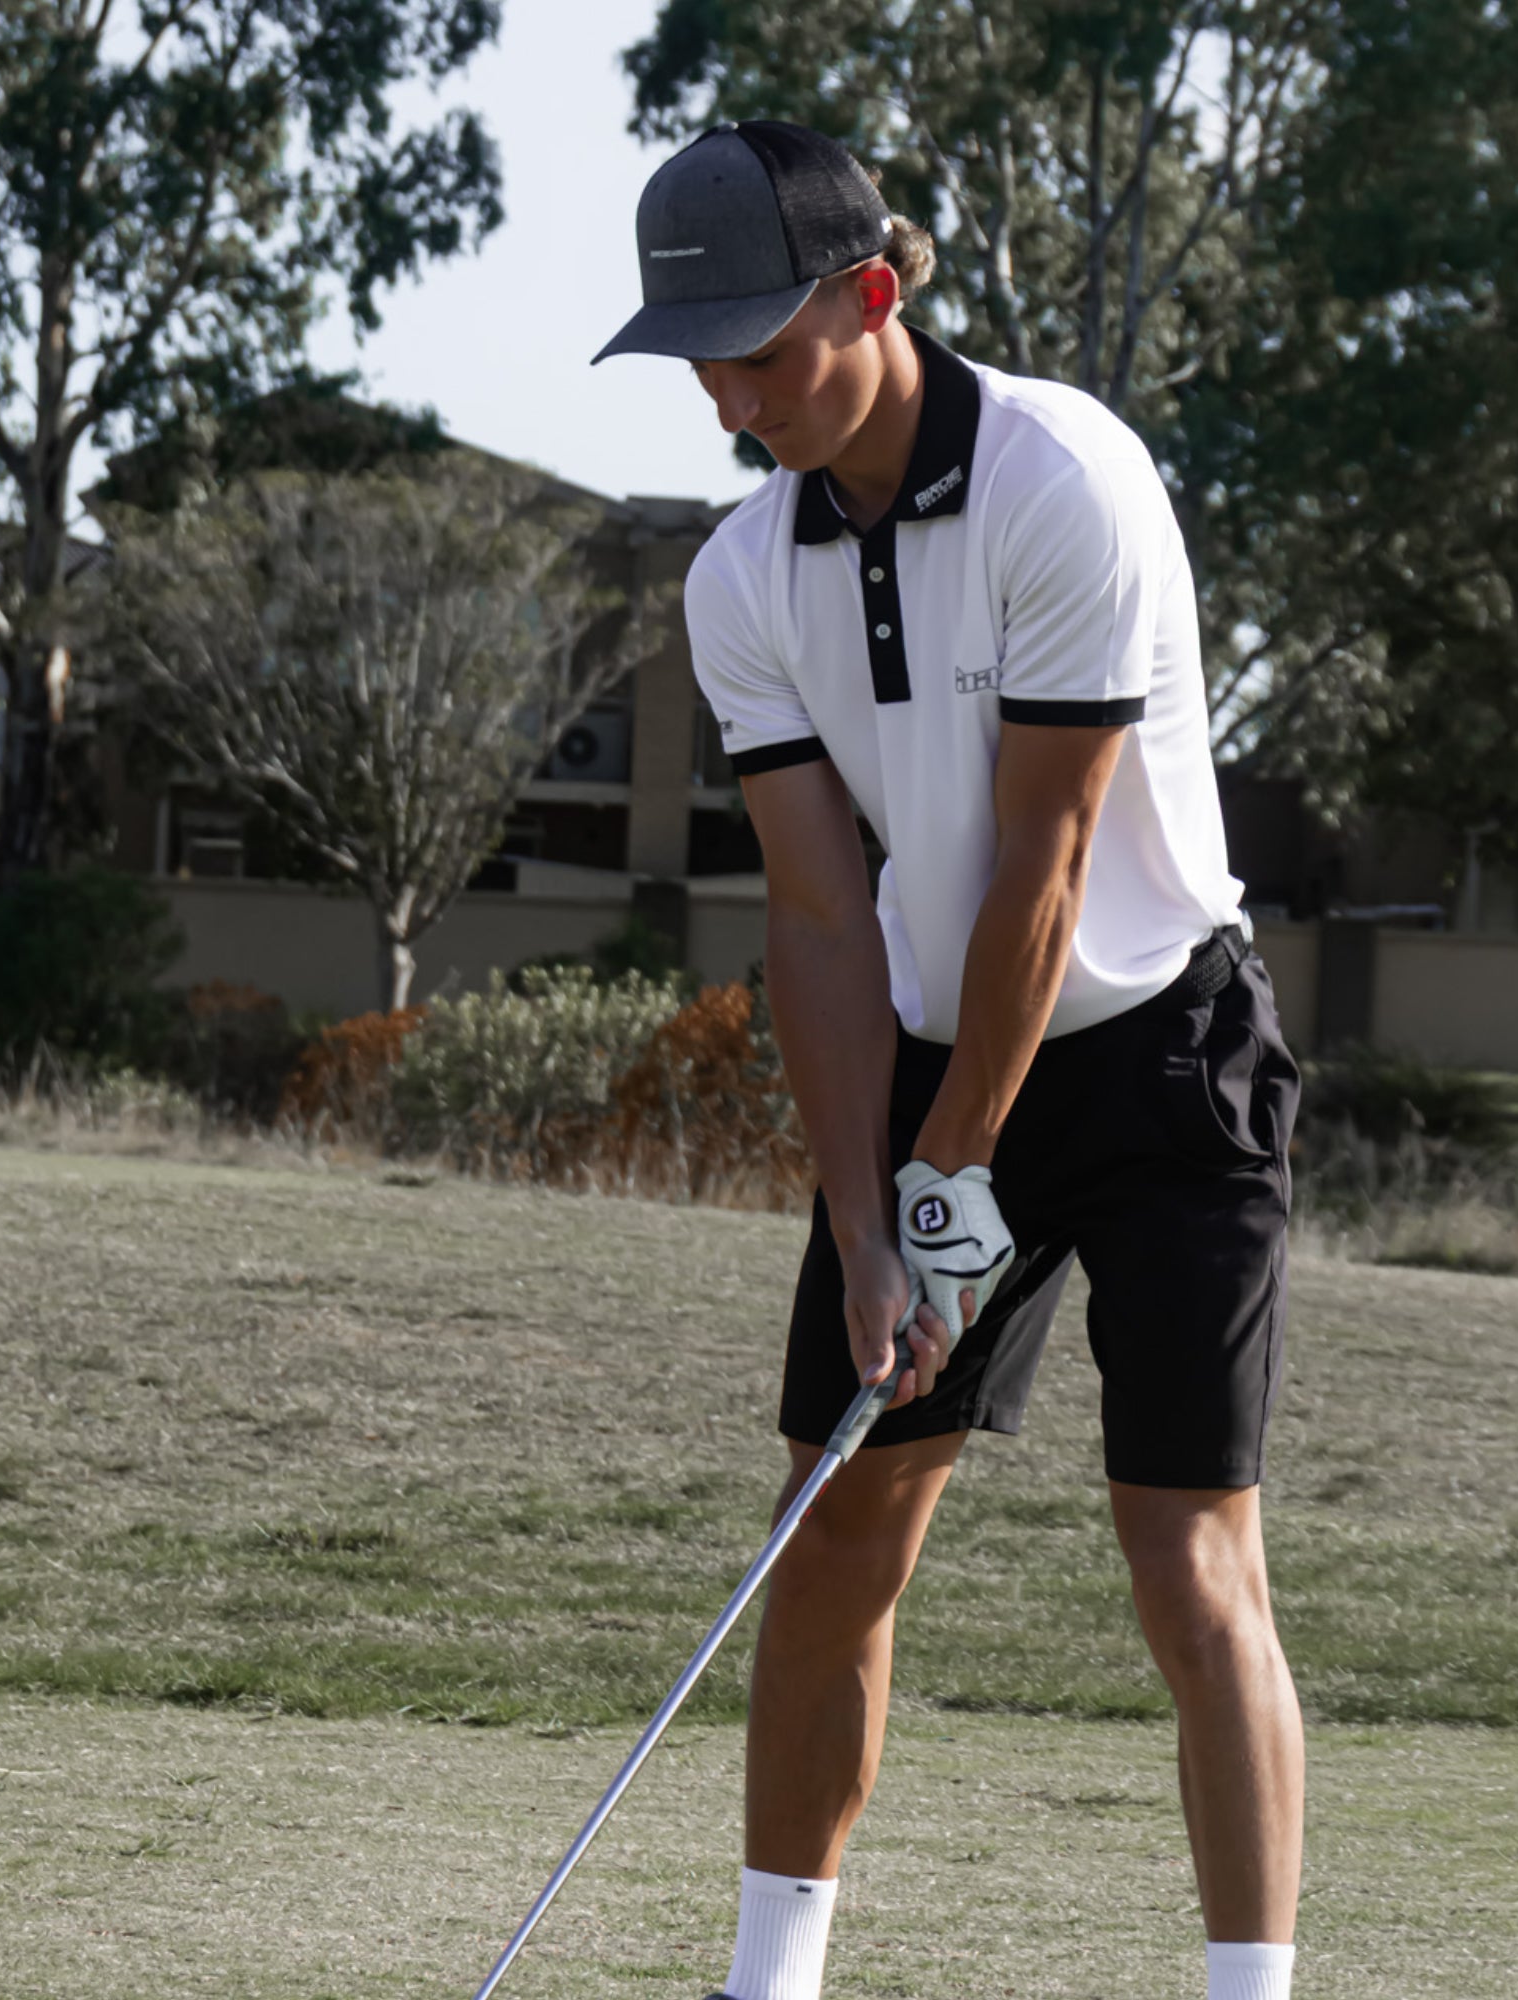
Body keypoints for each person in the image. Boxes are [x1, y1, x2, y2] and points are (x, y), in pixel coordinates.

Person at [593, 120, 1303, 2000]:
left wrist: (957, 1168)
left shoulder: (1071, 479)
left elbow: (1047, 870)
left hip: (1162, 1057)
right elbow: (826, 919)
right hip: (922, 1068)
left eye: (759, 351)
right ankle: (771, 1984)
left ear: (875, 295)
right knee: (830, 1530)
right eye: (701, 365)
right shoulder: (743, 580)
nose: (733, 403)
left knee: (1185, 1555)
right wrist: (868, 1208)